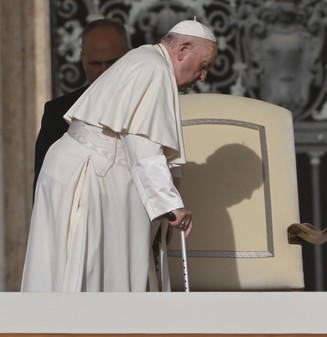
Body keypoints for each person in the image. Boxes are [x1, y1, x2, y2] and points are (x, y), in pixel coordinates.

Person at [21, 19, 218, 292]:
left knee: (65, 274)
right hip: (91, 180)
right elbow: (143, 145)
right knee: (90, 275)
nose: (203, 76)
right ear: (183, 49)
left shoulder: (144, 58)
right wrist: (170, 205)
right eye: (203, 66)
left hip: (75, 171)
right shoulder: (155, 68)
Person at [33, 18, 130, 197]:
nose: (104, 71)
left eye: (111, 63)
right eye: (96, 64)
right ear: (82, 60)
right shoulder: (58, 113)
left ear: (128, 57)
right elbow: (44, 186)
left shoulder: (146, 105)